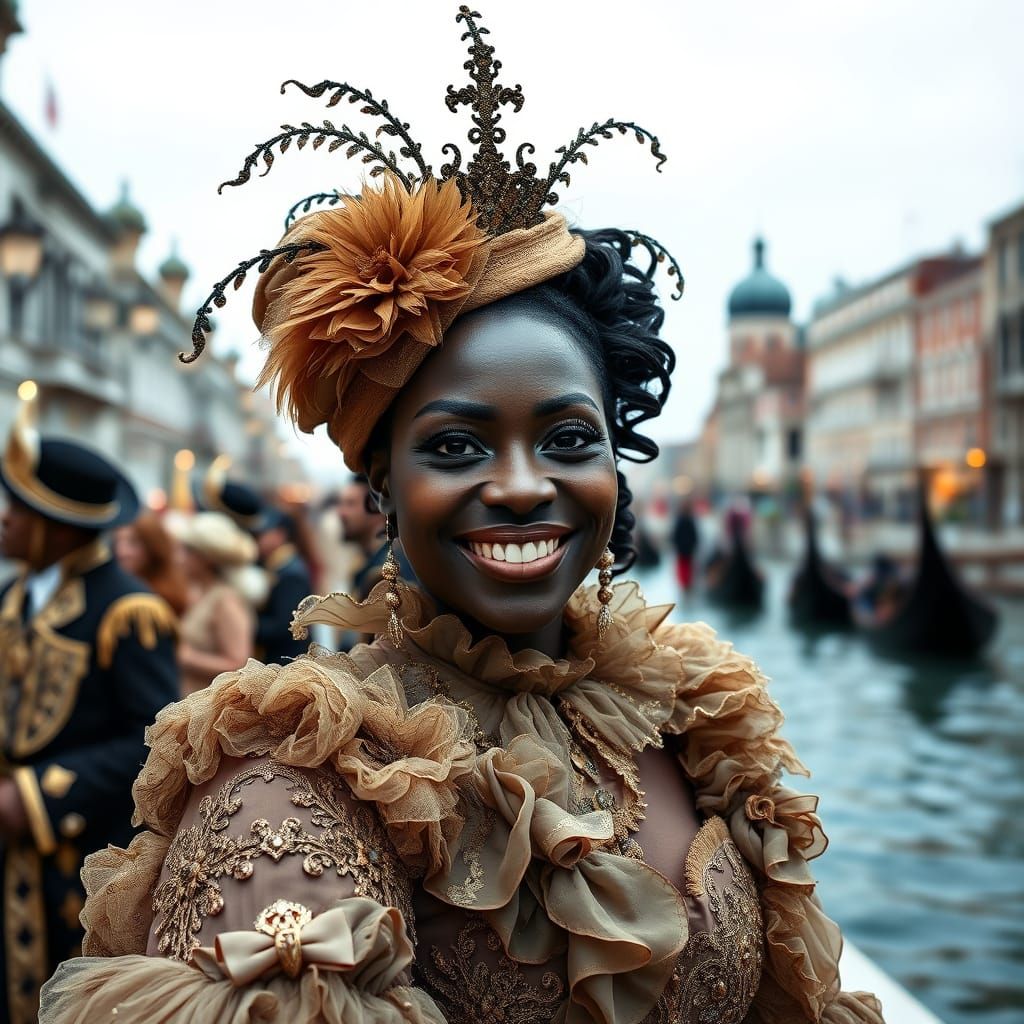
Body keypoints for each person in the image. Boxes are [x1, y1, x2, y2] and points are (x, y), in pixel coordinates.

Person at [41, 9, 884, 1024]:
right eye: (456, 444)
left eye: (569, 438)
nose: (524, 482)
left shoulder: (691, 721)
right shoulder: (297, 780)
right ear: (384, 483)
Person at [0, 419, 179, 1024]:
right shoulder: (15, 594)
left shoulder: (129, 612)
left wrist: (33, 797)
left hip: (73, 862)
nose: (5, 518)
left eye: (18, 508)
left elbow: (151, 743)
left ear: (56, 528)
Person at [171, 513, 256, 697]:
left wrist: (186, 657)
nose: (179, 557)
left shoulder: (225, 600)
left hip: (210, 711)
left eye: (187, 550)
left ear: (207, 558)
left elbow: (239, 663)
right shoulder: (197, 591)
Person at [113, 512, 189, 617]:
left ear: (152, 546)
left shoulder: (161, 599)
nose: (122, 551)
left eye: (133, 542)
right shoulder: (117, 589)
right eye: (118, 541)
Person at [671, 499, 699, 591]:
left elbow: (675, 535)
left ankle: (684, 582)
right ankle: (686, 582)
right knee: (687, 566)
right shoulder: (690, 520)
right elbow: (694, 535)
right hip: (687, 549)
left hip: (682, 548)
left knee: (684, 566)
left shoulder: (680, 520)